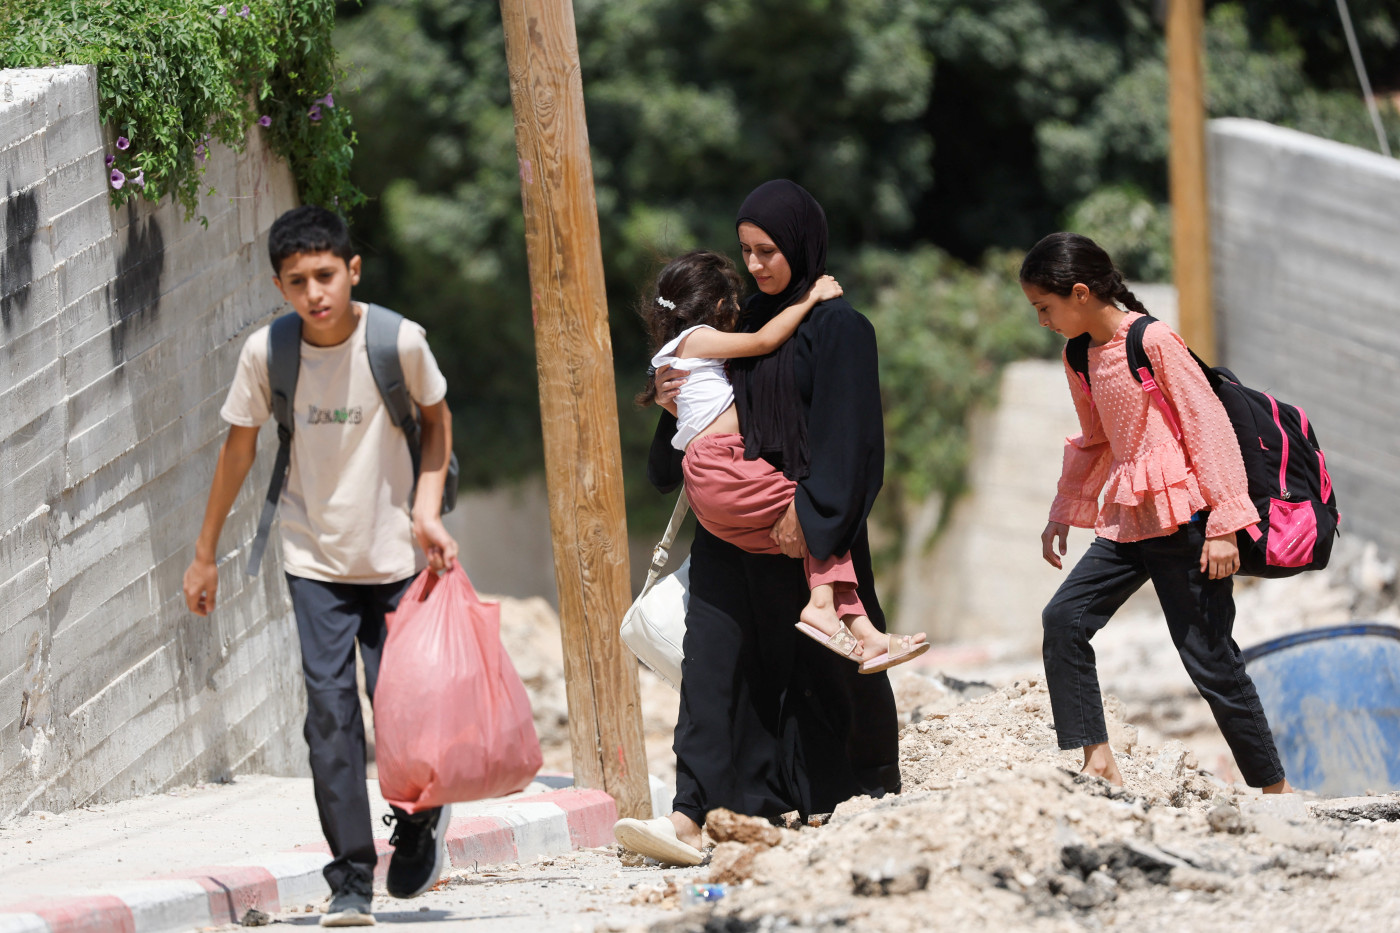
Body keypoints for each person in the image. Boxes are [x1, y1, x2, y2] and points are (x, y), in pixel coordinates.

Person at [181, 206, 462, 925]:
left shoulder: (399, 340)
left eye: (326, 275)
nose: (315, 292)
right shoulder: (266, 353)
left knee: (401, 712)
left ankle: (421, 817)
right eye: (298, 280)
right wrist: (205, 551)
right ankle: (350, 880)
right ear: (279, 285)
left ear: (352, 270)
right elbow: (238, 449)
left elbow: (436, 420)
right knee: (330, 718)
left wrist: (427, 510)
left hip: (399, 554)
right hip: (314, 558)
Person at [614, 180, 904, 867]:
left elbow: (852, 439)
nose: (756, 265)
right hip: (727, 537)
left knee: (826, 670)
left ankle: (857, 798)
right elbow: (670, 462)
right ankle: (697, 813)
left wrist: (814, 518)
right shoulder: (729, 333)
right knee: (713, 670)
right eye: (746, 252)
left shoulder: (838, 328)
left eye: (768, 251)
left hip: (806, 533)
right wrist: (666, 401)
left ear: (799, 245)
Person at [1022, 231, 1292, 793]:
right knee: (1063, 620)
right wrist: (1062, 513)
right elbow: (1094, 440)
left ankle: (1274, 790)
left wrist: (1224, 524)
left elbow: (1208, 427)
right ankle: (1098, 760)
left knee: (1210, 659)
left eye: (1044, 308)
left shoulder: (1153, 340)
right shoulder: (1078, 354)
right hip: (1129, 517)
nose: (1042, 321)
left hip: (1189, 519)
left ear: (1078, 293)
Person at [634, 249, 929, 669]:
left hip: (709, 484)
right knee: (818, 508)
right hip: (723, 466)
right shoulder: (696, 339)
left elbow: (693, 419)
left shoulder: (675, 361)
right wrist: (810, 298)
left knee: (818, 540)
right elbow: (763, 341)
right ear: (720, 306)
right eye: (734, 304)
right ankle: (822, 609)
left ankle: (864, 633)